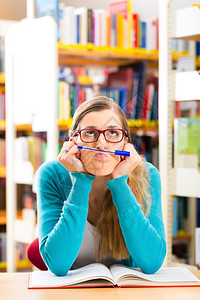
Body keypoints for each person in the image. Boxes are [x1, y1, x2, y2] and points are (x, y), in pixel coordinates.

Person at [27, 96, 166, 276]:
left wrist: (120, 183)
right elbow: (58, 265)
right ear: (73, 142)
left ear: (126, 143)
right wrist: (81, 180)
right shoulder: (51, 175)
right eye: (90, 133)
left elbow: (152, 262)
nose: (101, 144)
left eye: (113, 133)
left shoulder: (148, 175)